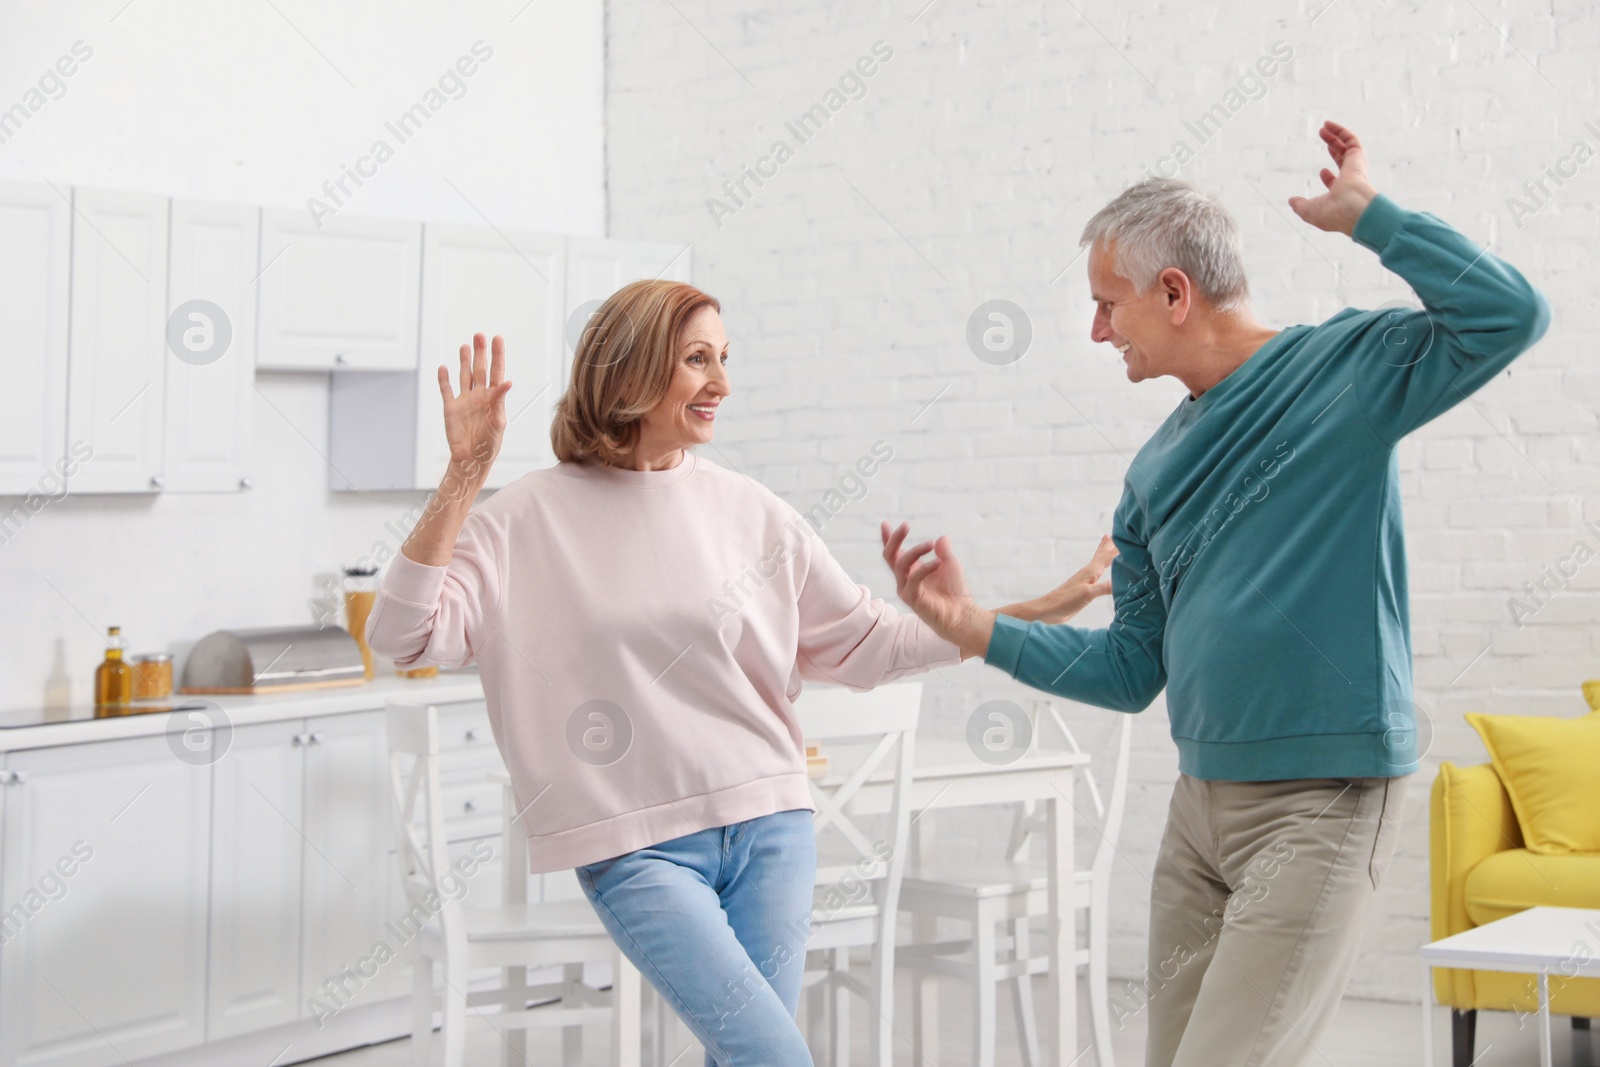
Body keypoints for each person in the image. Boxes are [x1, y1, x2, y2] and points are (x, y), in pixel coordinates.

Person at [881, 121, 1551, 1066]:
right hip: (1199, 812)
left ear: (1174, 292)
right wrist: (976, 627)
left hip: (1321, 803)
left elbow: (1508, 314)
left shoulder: (1343, 372)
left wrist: (1376, 220)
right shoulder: (1152, 468)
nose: (1097, 330)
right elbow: (1129, 667)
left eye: (1107, 304)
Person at [363, 279, 1116, 1065]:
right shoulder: (522, 518)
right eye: (697, 359)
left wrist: (1033, 606)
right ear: (627, 373)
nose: (723, 383)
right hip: (637, 850)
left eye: (724, 358)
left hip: (773, 828)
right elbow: (403, 634)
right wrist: (462, 477)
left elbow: (870, 646)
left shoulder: (754, 511)